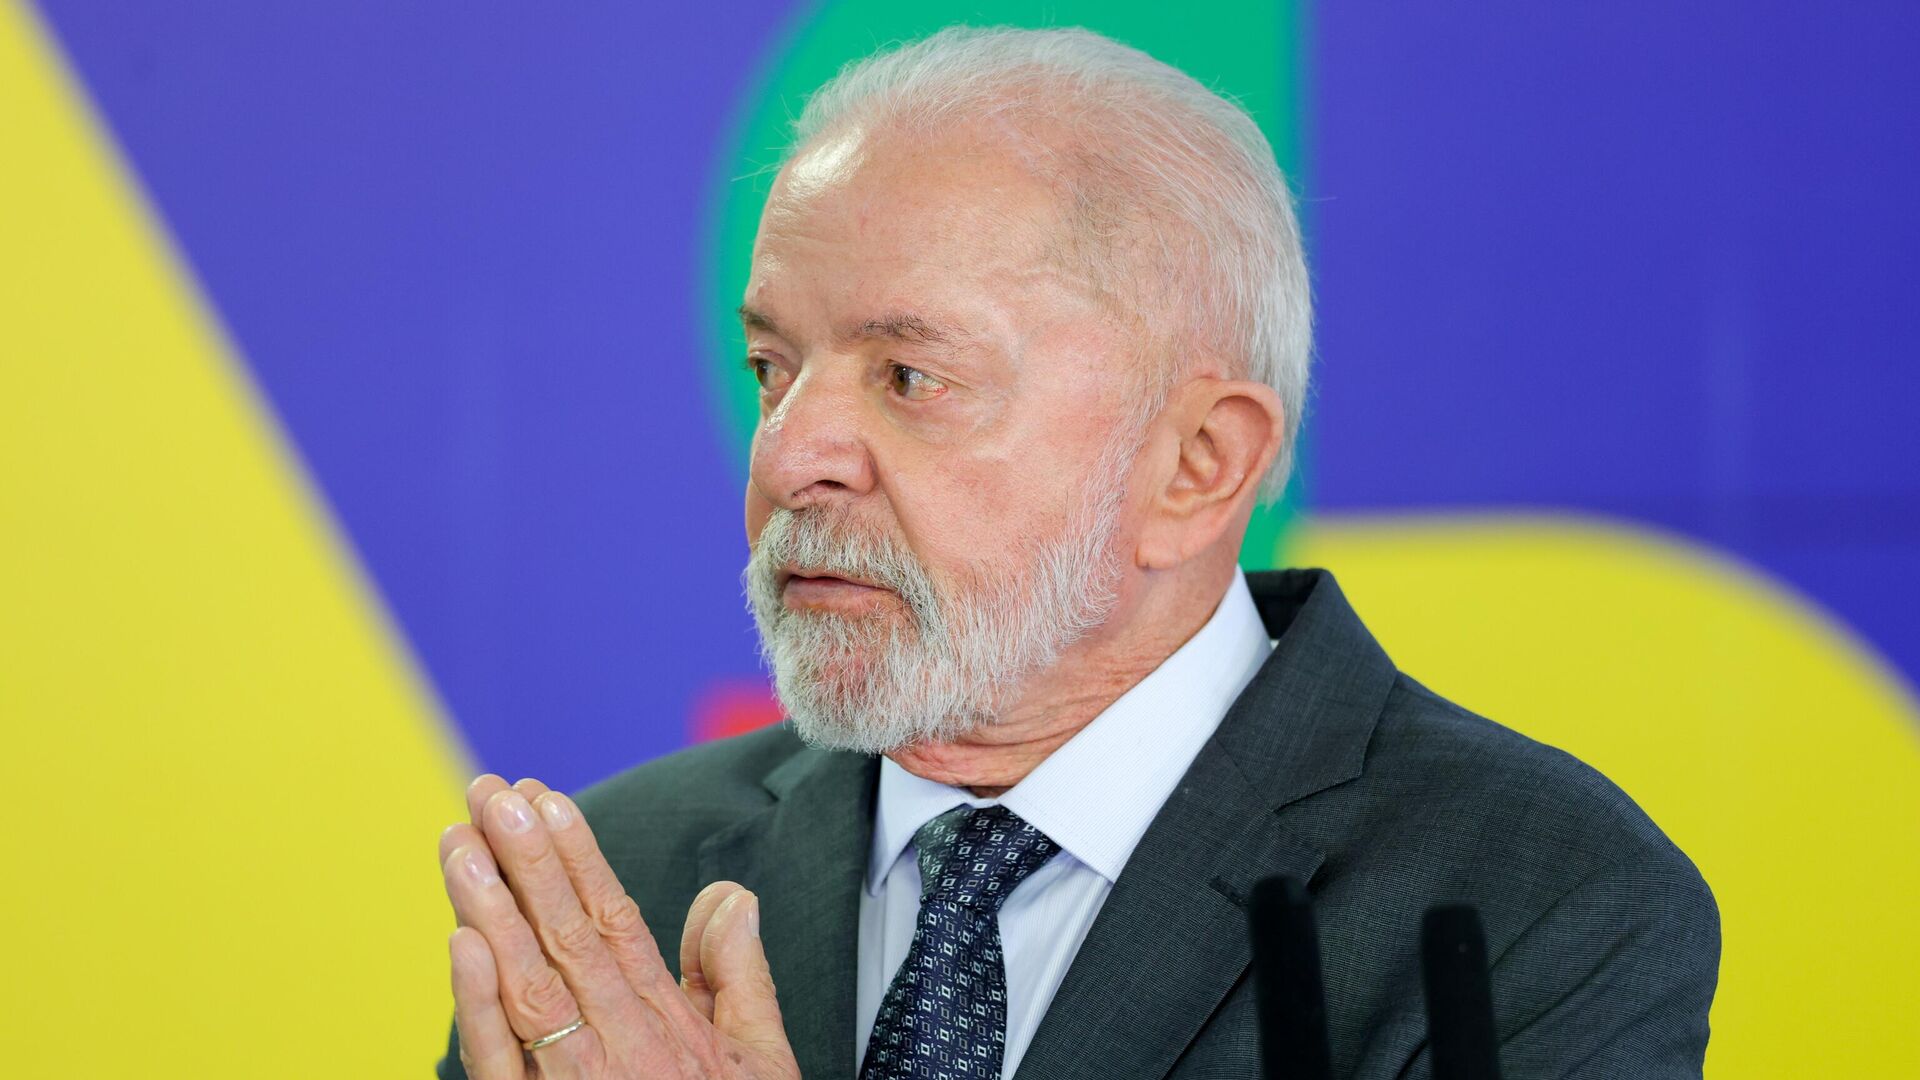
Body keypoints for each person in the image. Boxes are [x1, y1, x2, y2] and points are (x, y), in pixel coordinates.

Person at [434, 25, 1718, 1080]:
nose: (791, 454)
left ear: (1196, 463)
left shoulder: (1531, 903)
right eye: (773, 367)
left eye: (911, 376)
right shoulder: (626, 889)